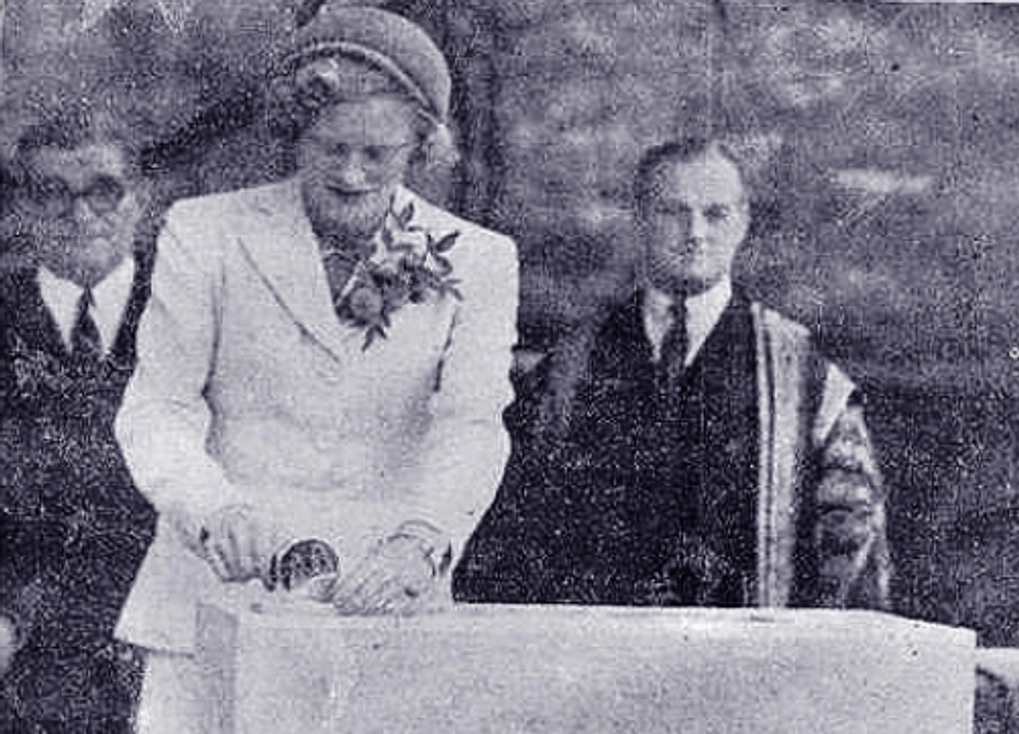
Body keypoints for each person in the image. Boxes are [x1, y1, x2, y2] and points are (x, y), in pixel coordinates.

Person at [112, 6, 518, 732]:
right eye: (330, 147)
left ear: (422, 145)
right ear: (294, 131)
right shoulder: (206, 232)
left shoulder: (478, 259)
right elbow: (159, 406)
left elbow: (471, 424)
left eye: (379, 153)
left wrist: (423, 540)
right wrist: (212, 510)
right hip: (215, 592)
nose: (352, 173)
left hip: (380, 602)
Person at [455, 137, 890, 610]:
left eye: (715, 214)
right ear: (640, 217)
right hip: (600, 644)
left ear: (743, 221)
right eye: (672, 212)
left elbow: (851, 545)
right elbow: (514, 536)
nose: (695, 232)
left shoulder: (804, 377)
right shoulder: (568, 369)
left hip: (748, 647)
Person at [0, 104, 157, 733]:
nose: (80, 214)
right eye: (52, 193)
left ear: (140, 200)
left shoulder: (189, 307)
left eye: (104, 191)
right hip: (19, 631)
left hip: (158, 618)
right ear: (21, 207)